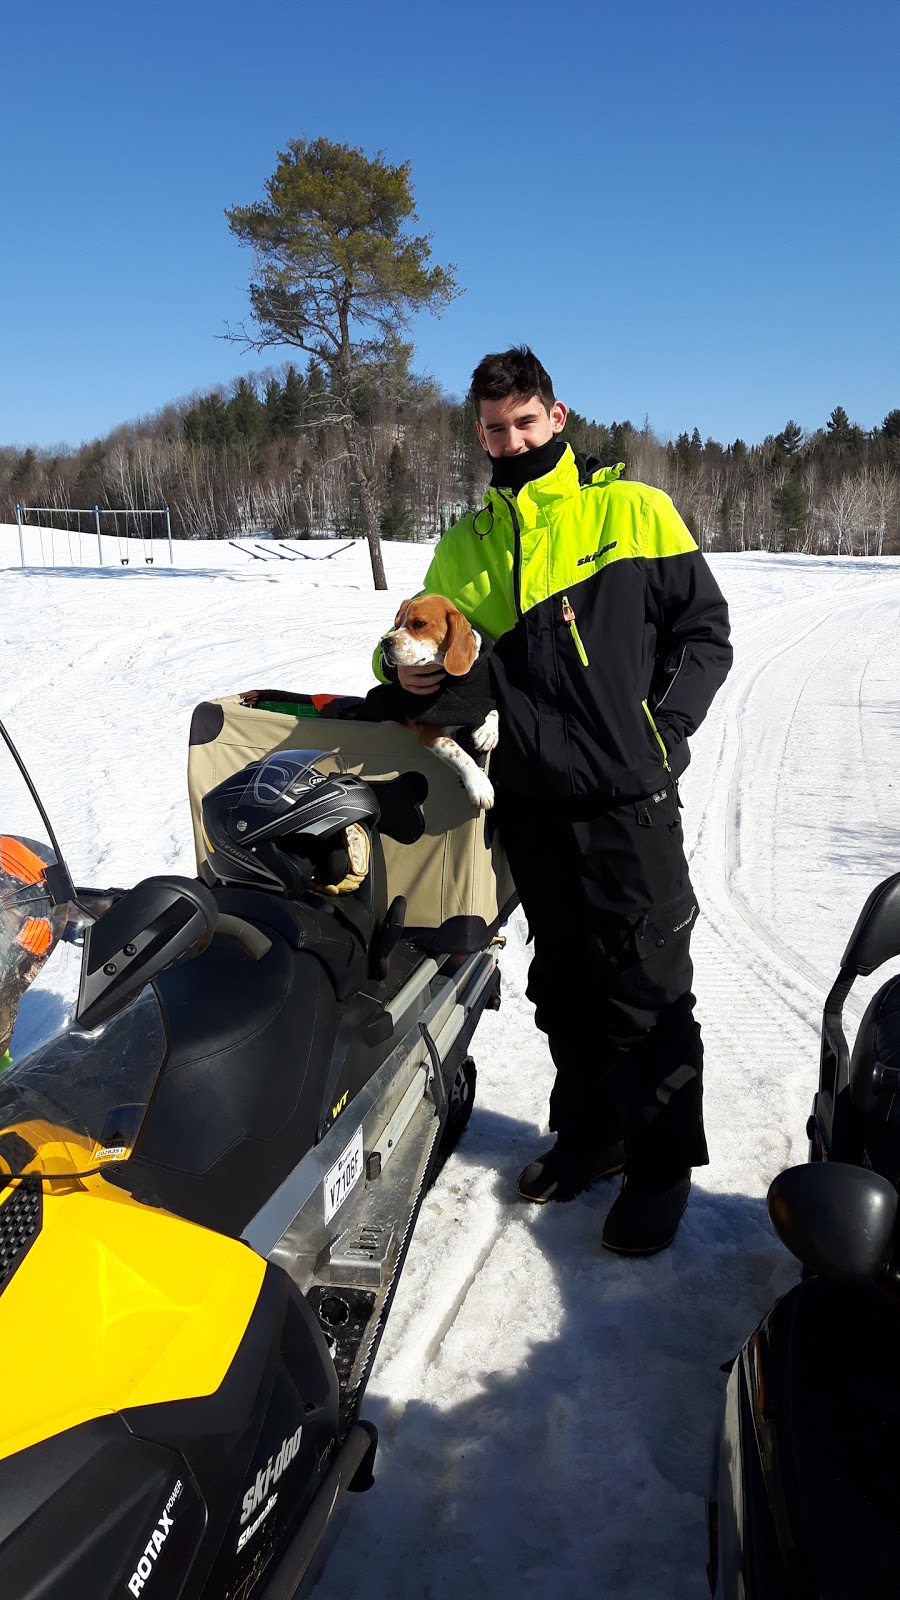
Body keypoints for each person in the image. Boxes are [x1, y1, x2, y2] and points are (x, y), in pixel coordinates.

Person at [374, 347, 732, 1254]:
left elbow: (705, 631)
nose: (509, 439)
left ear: (557, 417)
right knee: (564, 986)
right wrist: (400, 676)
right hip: (528, 801)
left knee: (646, 986)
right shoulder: (468, 543)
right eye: (494, 428)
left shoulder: (631, 511)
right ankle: (591, 1138)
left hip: (625, 799)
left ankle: (659, 1170)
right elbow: (421, 646)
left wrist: (664, 734)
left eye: (524, 422)